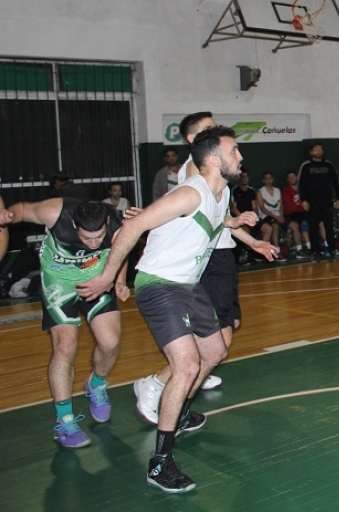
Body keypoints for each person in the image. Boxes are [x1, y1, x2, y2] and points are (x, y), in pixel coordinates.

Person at [77, 125, 274, 493]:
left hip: (189, 285)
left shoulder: (222, 192)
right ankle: (160, 462)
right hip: (160, 285)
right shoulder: (190, 193)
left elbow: (216, 225)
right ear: (214, 159)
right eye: (234, 152)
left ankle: (179, 413)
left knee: (216, 351)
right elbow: (132, 226)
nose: (240, 158)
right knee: (187, 365)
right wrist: (108, 277)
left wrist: (245, 233)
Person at [132, 112, 274, 425]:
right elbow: (183, 211)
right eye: (208, 129)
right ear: (193, 141)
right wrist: (147, 216)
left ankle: (189, 376)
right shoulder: (194, 171)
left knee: (226, 332)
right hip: (203, 261)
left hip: (222, 255)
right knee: (216, 339)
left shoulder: (222, 174)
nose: (217, 132)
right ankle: (159, 385)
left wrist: (251, 240)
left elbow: (216, 217)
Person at [0, 198, 128, 449]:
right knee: (64, 346)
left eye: (98, 237)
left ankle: (97, 384)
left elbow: (123, 249)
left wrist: (119, 280)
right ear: (73, 224)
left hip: (97, 279)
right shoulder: (54, 212)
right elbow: (24, 209)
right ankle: (65, 421)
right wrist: (7, 216)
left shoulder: (116, 223)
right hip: (59, 280)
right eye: (86, 238)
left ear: (105, 223)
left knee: (110, 342)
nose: (93, 243)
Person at [298, 143, 339, 259]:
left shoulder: (329, 165)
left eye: (320, 149)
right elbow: (301, 185)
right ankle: (315, 251)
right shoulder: (306, 166)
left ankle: (332, 249)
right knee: (312, 227)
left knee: (329, 226)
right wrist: (303, 200)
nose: (318, 151)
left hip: (326, 201)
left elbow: (336, 182)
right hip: (311, 202)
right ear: (311, 152)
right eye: (315, 149)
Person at [230, 170, 258, 265]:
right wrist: (244, 219)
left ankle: (257, 253)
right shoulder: (234, 190)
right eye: (242, 176)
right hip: (239, 219)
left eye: (246, 176)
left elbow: (254, 206)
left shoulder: (252, 190)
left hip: (251, 218)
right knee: (246, 230)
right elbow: (234, 208)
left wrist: (253, 217)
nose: (244, 179)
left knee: (268, 228)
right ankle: (247, 253)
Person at [256, 171, 285, 257]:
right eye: (266, 179)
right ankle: (275, 249)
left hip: (277, 216)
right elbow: (262, 208)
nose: (269, 180)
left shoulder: (277, 190)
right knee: (274, 225)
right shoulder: (260, 192)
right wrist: (276, 217)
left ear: (273, 179)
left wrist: (281, 216)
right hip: (265, 216)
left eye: (270, 178)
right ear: (263, 180)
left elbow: (281, 206)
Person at [282, 170, 310, 258]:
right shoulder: (286, 190)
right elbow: (291, 207)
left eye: (293, 176)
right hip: (291, 214)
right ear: (287, 180)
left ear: (297, 177)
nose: (292, 178)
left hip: (303, 213)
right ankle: (299, 249)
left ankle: (313, 247)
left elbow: (308, 202)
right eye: (289, 177)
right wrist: (303, 207)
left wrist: (306, 207)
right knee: (298, 225)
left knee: (315, 221)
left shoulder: (302, 188)